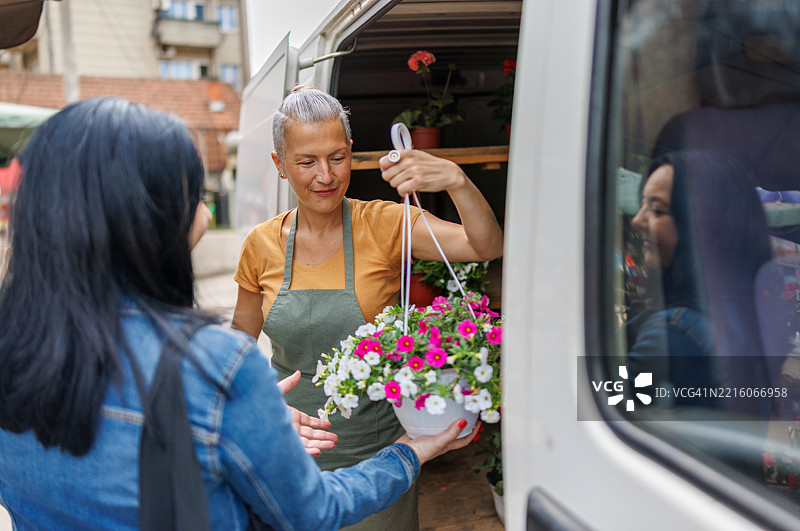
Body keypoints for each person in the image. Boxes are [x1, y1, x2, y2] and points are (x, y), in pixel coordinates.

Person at [0, 97, 479, 530]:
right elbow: (312, 511)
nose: (325, 174)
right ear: (148, 218)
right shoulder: (212, 368)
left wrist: (240, 422)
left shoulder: (12, 350)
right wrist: (410, 453)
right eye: (192, 191)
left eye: (337, 157)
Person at [232, 86, 504, 529]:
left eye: (337, 157)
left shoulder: (385, 223)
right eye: (307, 162)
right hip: (290, 450)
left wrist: (455, 178)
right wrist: (262, 405)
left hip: (380, 457)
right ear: (280, 166)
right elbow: (238, 350)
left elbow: (486, 245)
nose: (326, 175)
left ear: (352, 152)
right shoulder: (260, 245)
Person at [626, 150, 785, 414]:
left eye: (656, 210)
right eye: (642, 205)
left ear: (701, 227)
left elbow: (593, 405)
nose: (637, 220)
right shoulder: (745, 318)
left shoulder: (673, 331)